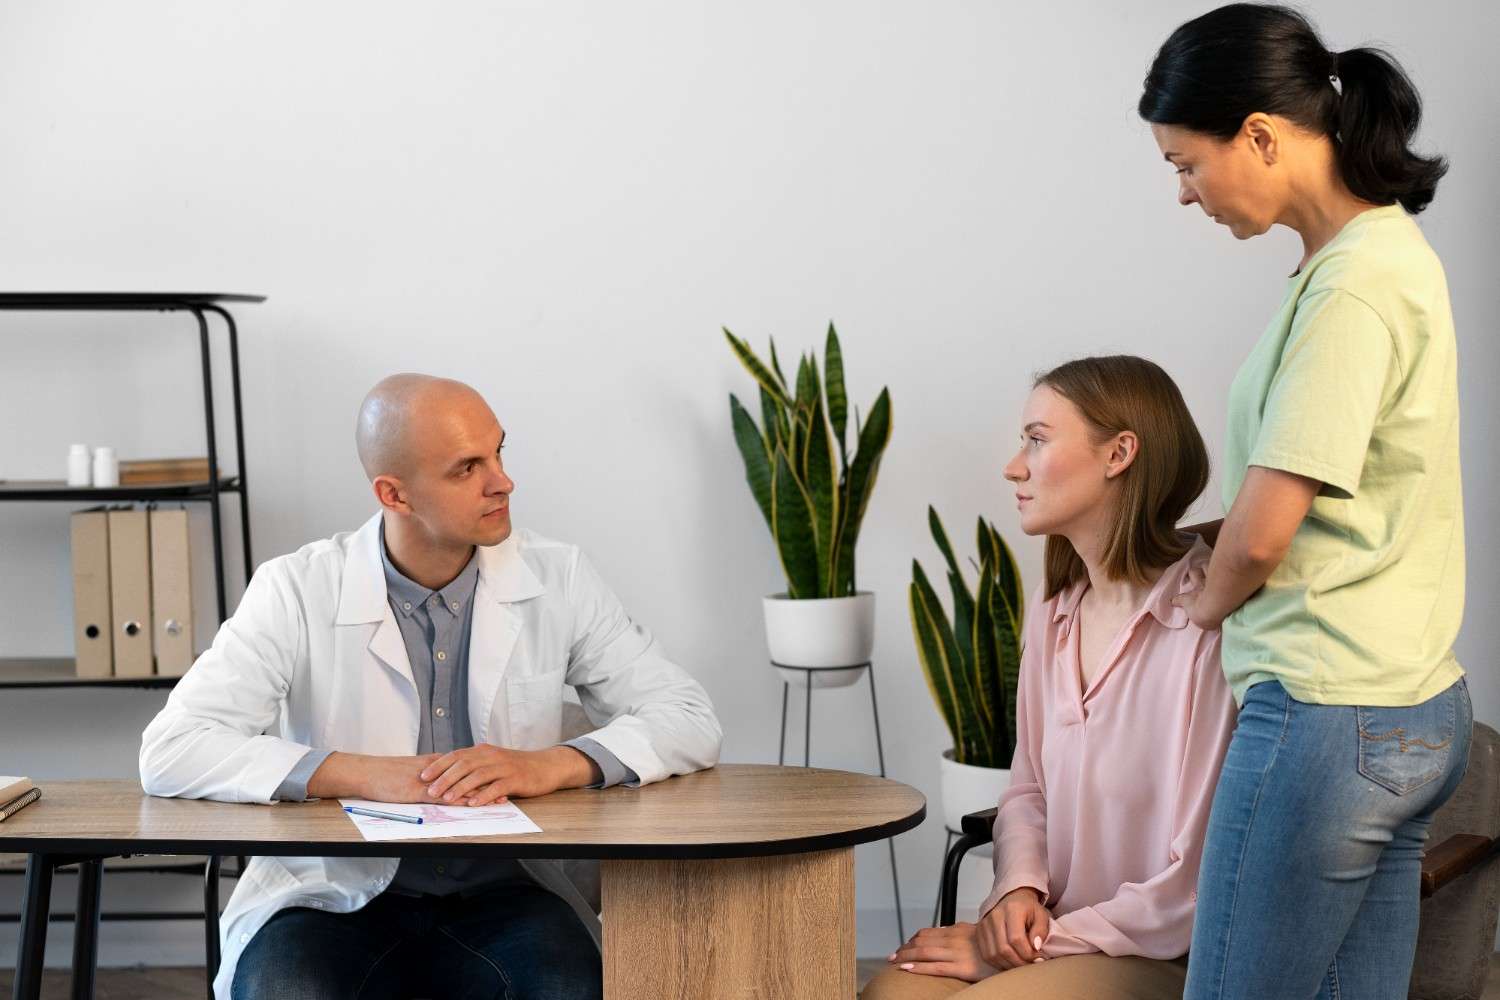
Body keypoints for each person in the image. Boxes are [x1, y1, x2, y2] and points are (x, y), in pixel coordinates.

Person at [139, 373, 723, 1000]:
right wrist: (362, 774)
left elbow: (687, 716)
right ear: (395, 494)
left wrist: (551, 764)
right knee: (283, 989)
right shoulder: (296, 587)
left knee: (567, 986)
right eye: (467, 467)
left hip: (509, 895)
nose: (503, 481)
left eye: (499, 452)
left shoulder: (560, 578)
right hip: (330, 898)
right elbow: (172, 748)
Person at [1139, 6, 1471, 998]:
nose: (1187, 195)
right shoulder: (1371, 261)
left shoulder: (1352, 290)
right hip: (1408, 708)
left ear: (1261, 134)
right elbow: (1336, 489)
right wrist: (1199, 541)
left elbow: (1269, 530)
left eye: (1186, 165)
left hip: (1327, 720)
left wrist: (1198, 607)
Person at [864, 356, 1236, 1000]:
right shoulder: (1053, 606)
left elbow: (1196, 882)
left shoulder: (1207, 620)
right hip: (1053, 930)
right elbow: (1027, 787)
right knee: (890, 993)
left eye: (1037, 439)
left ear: (1119, 453)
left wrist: (1024, 949)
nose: (1014, 466)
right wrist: (1017, 888)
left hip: (1162, 952)